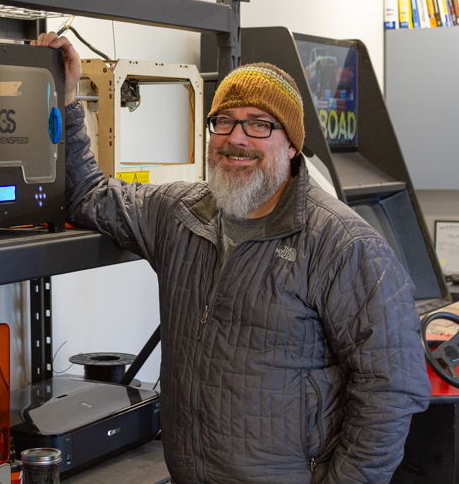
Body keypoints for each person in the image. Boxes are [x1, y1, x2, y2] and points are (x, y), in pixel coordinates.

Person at [32, 32, 431, 484]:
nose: (236, 138)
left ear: (292, 144)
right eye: (224, 121)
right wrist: (66, 96)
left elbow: (392, 390)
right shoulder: (178, 215)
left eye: (259, 124)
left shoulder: (343, 244)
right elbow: (90, 194)